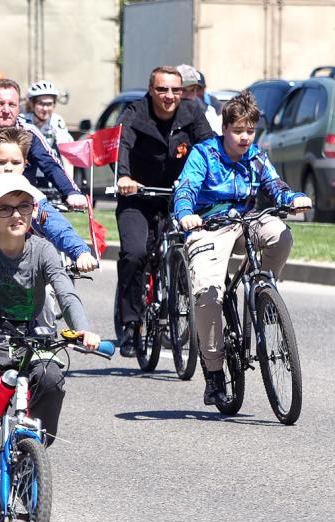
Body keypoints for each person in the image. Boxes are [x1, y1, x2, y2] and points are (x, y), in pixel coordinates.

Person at [0, 172, 100, 522]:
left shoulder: (42, 250)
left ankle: (30, 456)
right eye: (5, 208)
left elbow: (65, 291)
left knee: (52, 378)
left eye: (23, 206)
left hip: (31, 337)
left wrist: (83, 329)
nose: (16, 215)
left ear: (33, 211)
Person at [173, 91, 311, 405]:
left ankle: (264, 288)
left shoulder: (255, 156)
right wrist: (186, 214)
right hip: (209, 224)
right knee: (208, 293)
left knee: (281, 235)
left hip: (247, 219)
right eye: (238, 131)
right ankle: (215, 373)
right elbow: (187, 188)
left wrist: (291, 200)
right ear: (224, 129)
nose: (245, 137)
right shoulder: (204, 154)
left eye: (250, 130)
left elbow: (275, 185)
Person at [114, 65, 214, 357]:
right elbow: (122, 144)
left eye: (176, 90)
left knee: (198, 247)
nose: (169, 96)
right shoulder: (135, 112)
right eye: (162, 89)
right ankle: (131, 325)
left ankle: (185, 298)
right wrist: (123, 176)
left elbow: (208, 148)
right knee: (134, 254)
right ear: (151, 90)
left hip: (179, 195)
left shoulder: (192, 112)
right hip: (138, 196)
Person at [0, 127, 96, 279]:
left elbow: (54, 224)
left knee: (49, 299)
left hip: (25, 274)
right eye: (1, 162)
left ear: (25, 164)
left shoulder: (34, 198)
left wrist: (80, 252)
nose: (8, 168)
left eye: (15, 162)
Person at [0, 78, 87, 210]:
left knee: (61, 230)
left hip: (24, 207)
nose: (6, 110)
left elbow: (50, 163)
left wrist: (71, 192)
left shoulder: (29, 131)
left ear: (18, 108)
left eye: (12, 105)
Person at [21, 80, 75, 193]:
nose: (45, 109)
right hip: (24, 171)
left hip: (46, 171)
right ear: (32, 104)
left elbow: (66, 152)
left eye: (49, 104)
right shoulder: (23, 119)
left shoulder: (56, 120)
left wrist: (70, 186)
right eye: (41, 104)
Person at [178, 64, 222, 134]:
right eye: (183, 90)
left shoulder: (208, 112)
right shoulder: (163, 112)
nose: (188, 95)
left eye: (192, 90)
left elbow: (212, 140)